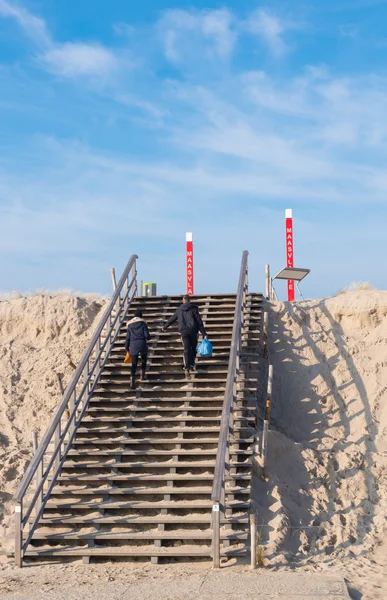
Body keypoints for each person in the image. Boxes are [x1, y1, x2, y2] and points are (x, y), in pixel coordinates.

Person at [162, 295, 207, 379]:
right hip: (193, 331)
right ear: (189, 301)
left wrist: (165, 326)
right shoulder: (194, 309)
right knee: (193, 348)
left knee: (186, 349)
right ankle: (192, 365)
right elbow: (199, 321)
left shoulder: (179, 310)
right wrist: (204, 333)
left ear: (183, 301)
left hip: (184, 332)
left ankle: (186, 367)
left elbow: (173, 318)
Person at [125, 309, 150, 390]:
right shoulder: (143, 324)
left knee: (134, 363)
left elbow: (127, 337)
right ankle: (142, 376)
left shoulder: (129, 325)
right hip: (142, 343)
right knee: (144, 359)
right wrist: (148, 337)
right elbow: (147, 336)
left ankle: (132, 381)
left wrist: (126, 347)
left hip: (133, 345)